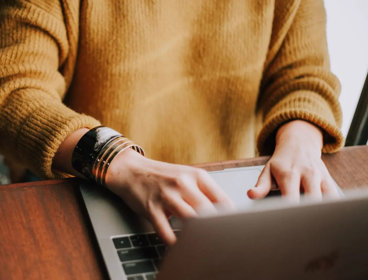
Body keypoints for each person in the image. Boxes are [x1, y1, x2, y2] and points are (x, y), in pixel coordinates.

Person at [0, 0, 344, 244]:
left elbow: (304, 76)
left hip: (229, 194)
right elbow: (13, 90)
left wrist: (301, 140)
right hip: (88, 185)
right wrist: (119, 162)